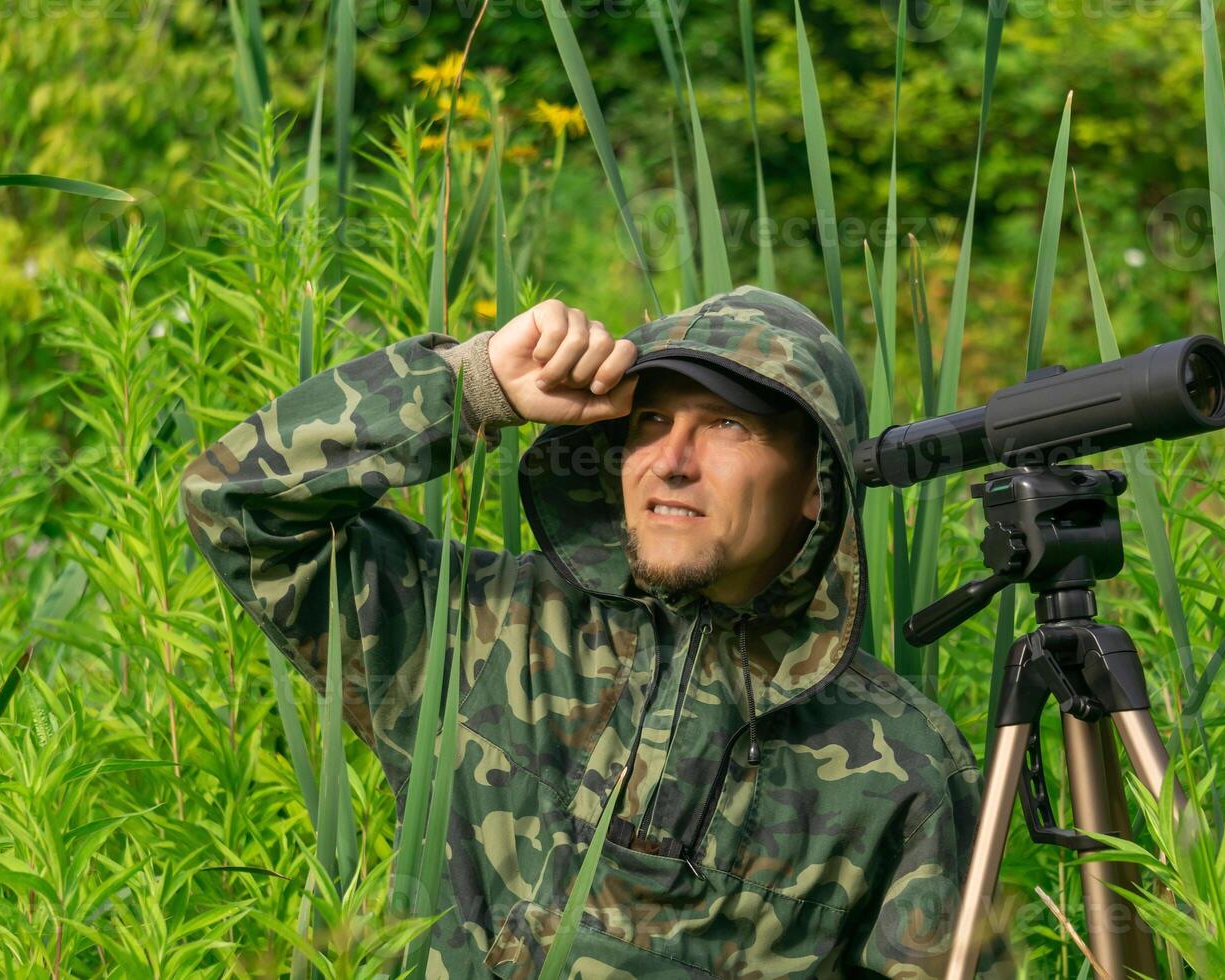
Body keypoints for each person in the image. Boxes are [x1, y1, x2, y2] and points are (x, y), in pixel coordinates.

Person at [180, 284, 982, 978]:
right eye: (652, 420)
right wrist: (474, 385)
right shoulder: (481, 631)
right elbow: (238, 503)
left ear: (817, 484)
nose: (671, 460)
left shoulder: (902, 763)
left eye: (728, 426)